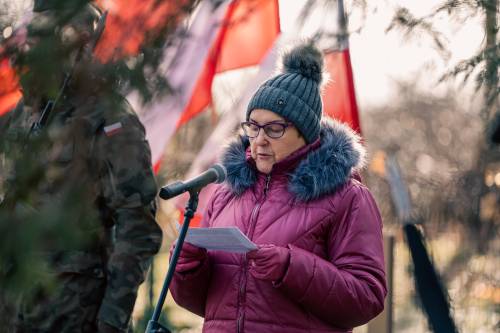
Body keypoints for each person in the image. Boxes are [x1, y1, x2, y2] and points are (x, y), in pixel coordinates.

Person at [169, 42, 387, 332]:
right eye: (253, 126)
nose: (259, 139)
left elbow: (367, 298)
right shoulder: (225, 193)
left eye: (274, 129)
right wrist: (186, 267)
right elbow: (206, 305)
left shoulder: (348, 197)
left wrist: (291, 267)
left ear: (306, 133)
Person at [0, 2, 162, 332]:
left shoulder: (109, 117)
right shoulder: (22, 113)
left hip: (75, 315)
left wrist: (111, 320)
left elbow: (138, 225)